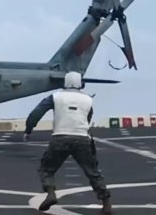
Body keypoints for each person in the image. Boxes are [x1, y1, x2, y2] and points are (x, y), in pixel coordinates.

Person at [23, 71, 112, 214]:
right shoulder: (88, 99)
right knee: (93, 172)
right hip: (82, 138)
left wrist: (28, 130)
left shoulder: (55, 97)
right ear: (80, 83)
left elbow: (36, 113)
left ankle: (51, 193)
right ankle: (106, 203)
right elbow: (88, 118)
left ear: (65, 82)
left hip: (60, 138)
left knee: (46, 169)